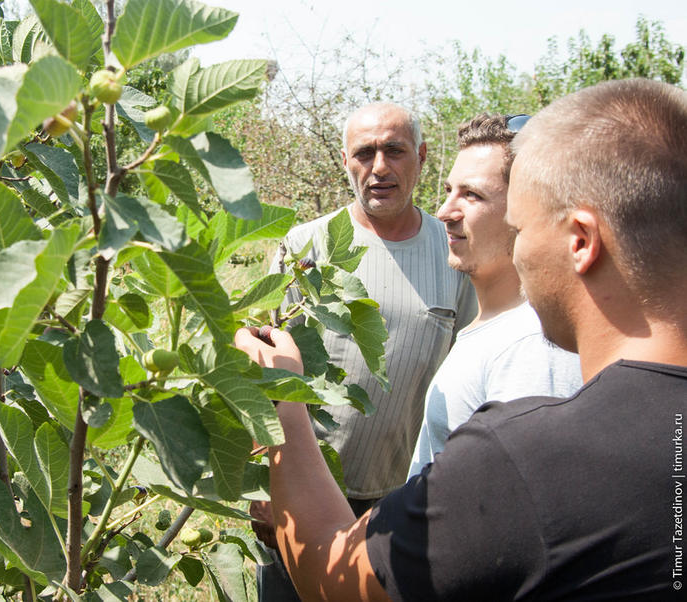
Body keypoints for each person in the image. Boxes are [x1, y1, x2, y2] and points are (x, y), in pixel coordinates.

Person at [235, 78, 687, 600]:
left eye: (522, 223)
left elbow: (338, 578)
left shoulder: (517, 450)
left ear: (580, 242)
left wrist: (286, 407)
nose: (449, 212)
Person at [254, 102, 477, 601]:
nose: (379, 167)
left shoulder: (454, 251)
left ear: (420, 156)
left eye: (395, 151)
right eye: (365, 153)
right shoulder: (305, 246)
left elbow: (471, 368)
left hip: (403, 501)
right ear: (345, 160)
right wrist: (264, 480)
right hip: (300, 494)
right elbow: (261, 368)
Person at [406, 113, 582, 478]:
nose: (444, 212)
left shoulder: (530, 347)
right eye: (450, 190)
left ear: (527, 211)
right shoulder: (498, 330)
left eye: (472, 195)